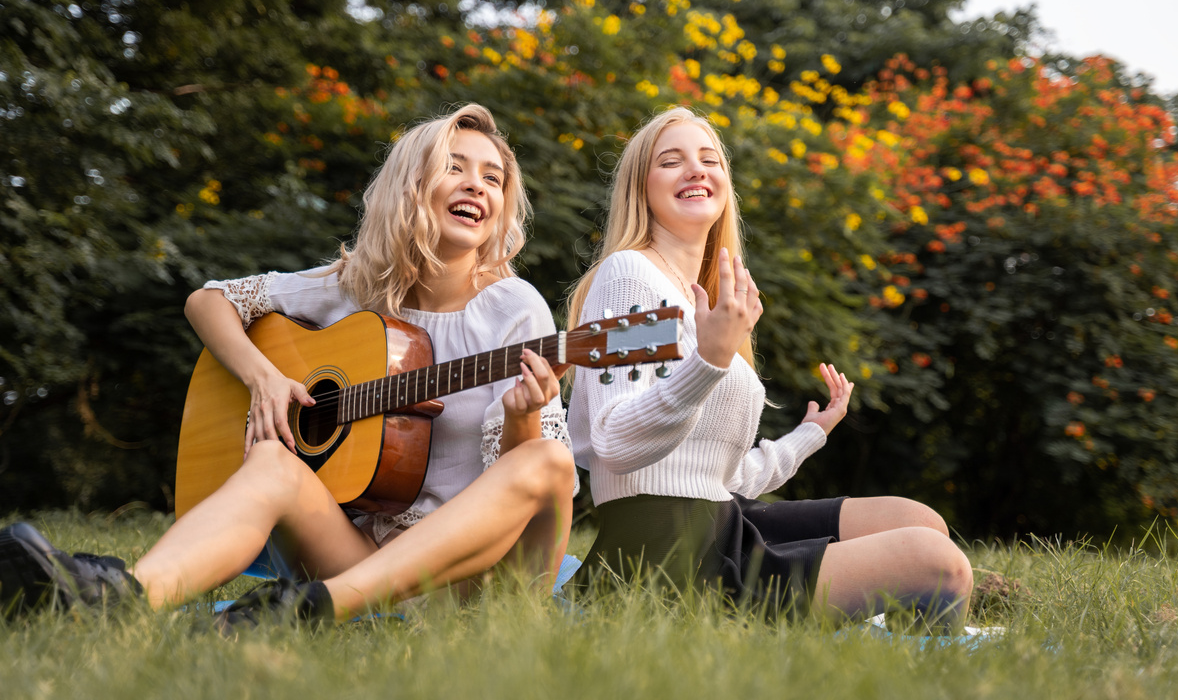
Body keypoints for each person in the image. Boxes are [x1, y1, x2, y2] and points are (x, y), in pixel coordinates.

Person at [0, 104, 577, 629]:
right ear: (412, 185)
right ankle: (116, 601)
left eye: (493, 178)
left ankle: (313, 610)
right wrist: (264, 377)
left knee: (547, 456)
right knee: (274, 460)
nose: (476, 184)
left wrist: (523, 418)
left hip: (473, 584)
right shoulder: (354, 287)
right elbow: (210, 300)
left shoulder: (514, 308)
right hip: (357, 560)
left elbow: (525, 491)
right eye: (455, 167)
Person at [565, 107, 973, 625]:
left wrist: (809, 433)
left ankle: (910, 639)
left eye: (708, 159)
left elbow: (722, 475)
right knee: (936, 563)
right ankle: (924, 651)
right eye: (672, 161)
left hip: (722, 519)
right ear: (640, 189)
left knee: (918, 520)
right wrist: (709, 359)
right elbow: (615, 444)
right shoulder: (630, 274)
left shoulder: (716, 297)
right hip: (662, 552)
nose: (696, 169)